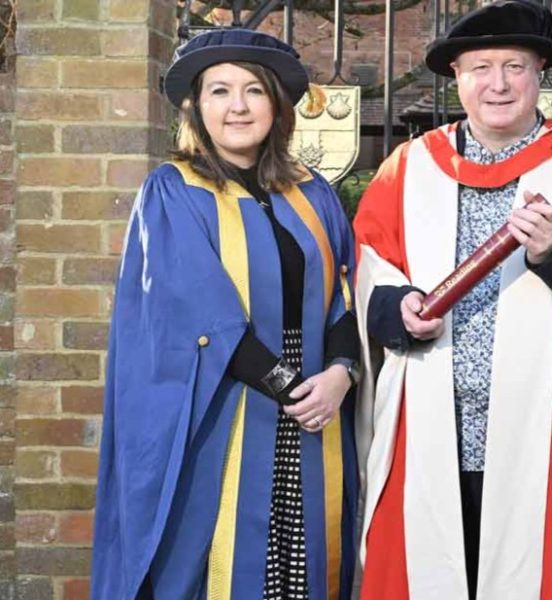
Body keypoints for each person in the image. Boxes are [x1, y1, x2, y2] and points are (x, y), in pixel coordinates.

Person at [350, 1, 552, 598]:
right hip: (430, 428)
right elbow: (367, 275)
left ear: (538, 74)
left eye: (514, 67)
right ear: (457, 78)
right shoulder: (408, 169)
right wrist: (397, 309)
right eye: (481, 68)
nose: (497, 84)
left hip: (548, 432)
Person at [91, 29, 361, 600]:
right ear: (196, 107)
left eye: (253, 91)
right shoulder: (174, 191)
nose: (238, 106)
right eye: (220, 91)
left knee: (301, 563)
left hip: (314, 406)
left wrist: (341, 373)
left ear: (276, 106)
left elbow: (345, 293)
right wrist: (294, 390)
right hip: (226, 407)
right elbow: (201, 315)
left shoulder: (312, 191)